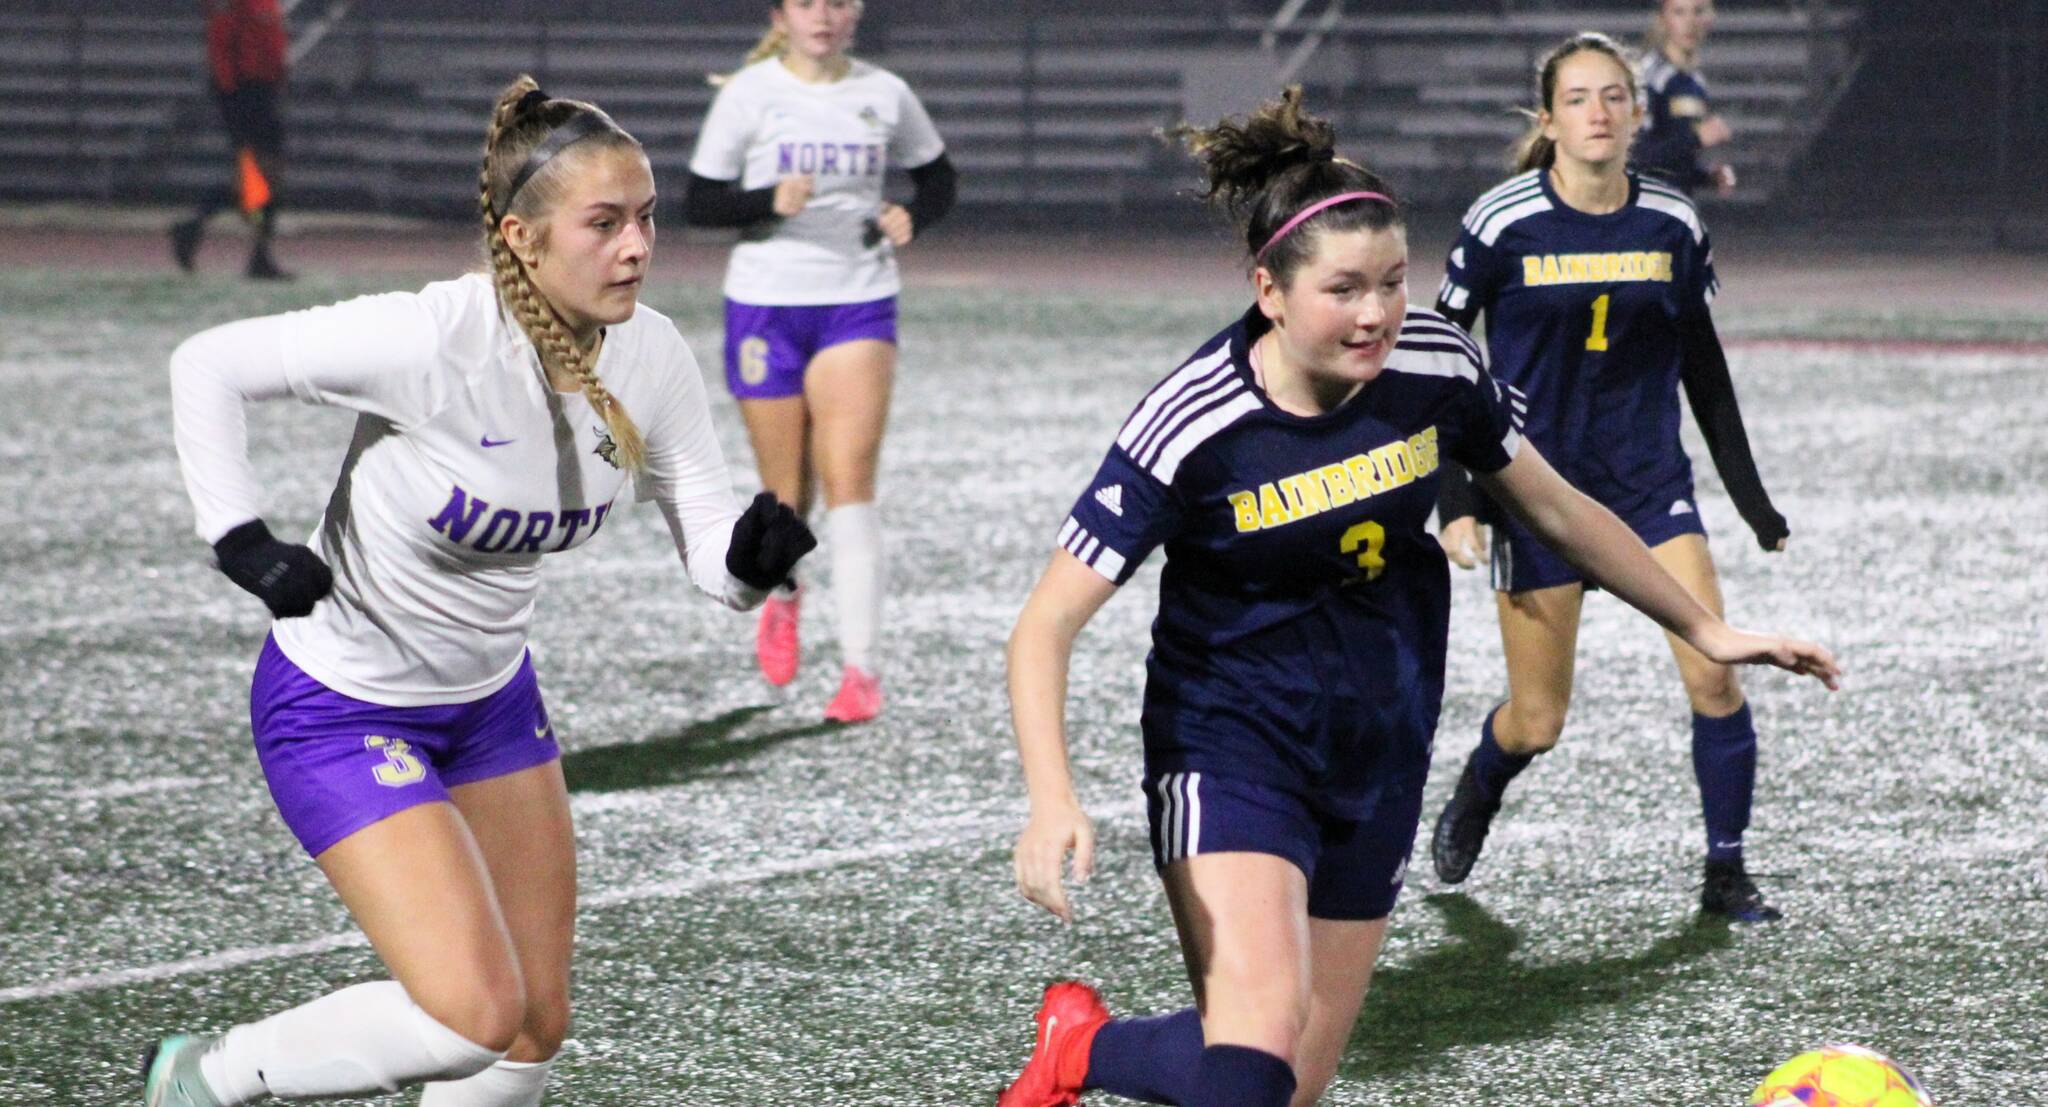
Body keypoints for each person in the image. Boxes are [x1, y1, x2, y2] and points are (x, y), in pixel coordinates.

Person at [996, 88, 1835, 1107]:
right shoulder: (1191, 422)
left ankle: (1081, 1051)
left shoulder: (1437, 365)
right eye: (1343, 289)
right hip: (1231, 740)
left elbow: (1558, 512)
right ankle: (1108, 1050)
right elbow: (1044, 625)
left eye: (1393, 281)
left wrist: (1707, 627)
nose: (1376, 312)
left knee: (1286, 1077)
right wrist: (1050, 797)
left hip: (1379, 742)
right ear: (1267, 289)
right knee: (1254, 1049)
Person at [143, 76, 815, 1107]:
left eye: (644, 219)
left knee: (536, 1023)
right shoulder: (433, 340)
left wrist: (749, 563)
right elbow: (209, 365)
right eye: (604, 224)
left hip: (491, 706)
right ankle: (208, 1076)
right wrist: (237, 535)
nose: (636, 246)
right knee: (471, 1015)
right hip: (338, 707)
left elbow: (710, 555)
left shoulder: (652, 354)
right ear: (522, 236)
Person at [1429, 32, 1791, 921]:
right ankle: (1481, 784)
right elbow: (1440, 361)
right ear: (1548, 119)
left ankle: (1726, 870)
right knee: (1538, 720)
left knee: (1715, 671)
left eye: (1614, 97)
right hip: (1536, 496)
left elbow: (1702, 365)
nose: (1598, 112)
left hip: (1646, 488)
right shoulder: (1501, 219)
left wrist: (1750, 500)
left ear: (1635, 113)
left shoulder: (1672, 220)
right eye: (1579, 98)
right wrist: (1458, 499)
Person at [684, 0, 957, 723]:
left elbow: (938, 178)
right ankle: (784, 595)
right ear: (782, 12)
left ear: (857, 11)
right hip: (766, 304)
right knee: (785, 494)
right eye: (808, 2)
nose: (825, 15)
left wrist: (911, 215)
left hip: (856, 301)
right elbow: (699, 202)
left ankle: (861, 671)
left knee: (850, 484)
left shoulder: (884, 93)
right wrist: (767, 200)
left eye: (839, 2)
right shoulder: (751, 94)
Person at [170, 0, 295, 280]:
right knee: (260, 180)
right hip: (245, 93)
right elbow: (222, 42)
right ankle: (253, 252)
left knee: (260, 182)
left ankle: (197, 226)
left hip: (263, 92)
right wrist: (230, 95)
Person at [1633, 0, 1737, 196]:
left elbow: (1673, 164)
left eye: (1698, 11)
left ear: (1710, 18)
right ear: (1663, 19)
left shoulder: (1695, 82)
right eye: (1679, 12)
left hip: (1676, 207)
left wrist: (1707, 177)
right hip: (1647, 208)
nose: (1690, 22)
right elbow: (1635, 157)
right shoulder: (1649, 77)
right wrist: (1696, 138)